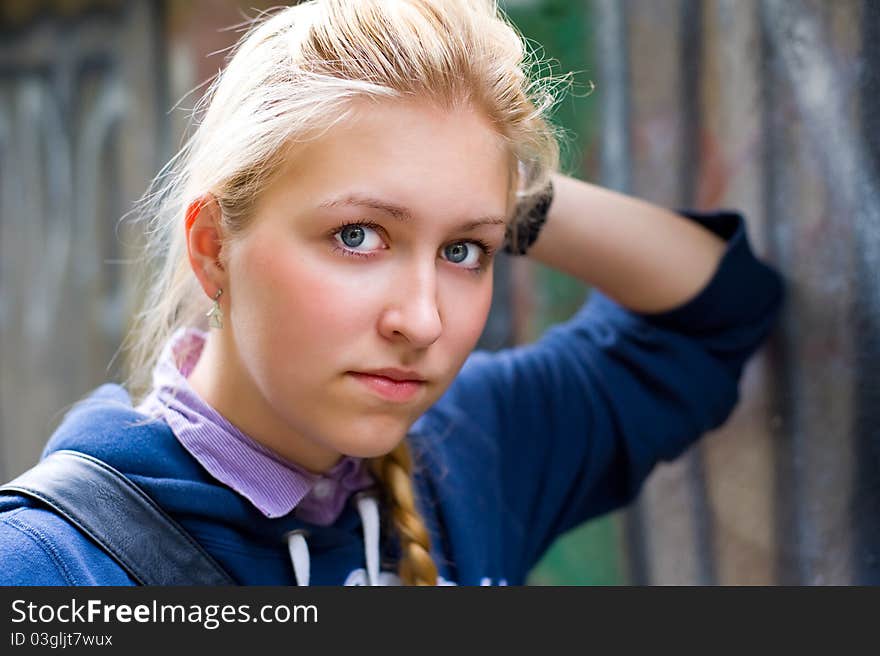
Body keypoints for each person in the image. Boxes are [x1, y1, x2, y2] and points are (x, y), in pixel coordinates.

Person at [0, 0, 784, 586]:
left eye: (464, 250)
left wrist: (497, 181)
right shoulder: (50, 568)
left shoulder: (470, 452)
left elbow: (716, 308)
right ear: (214, 251)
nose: (422, 319)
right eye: (357, 235)